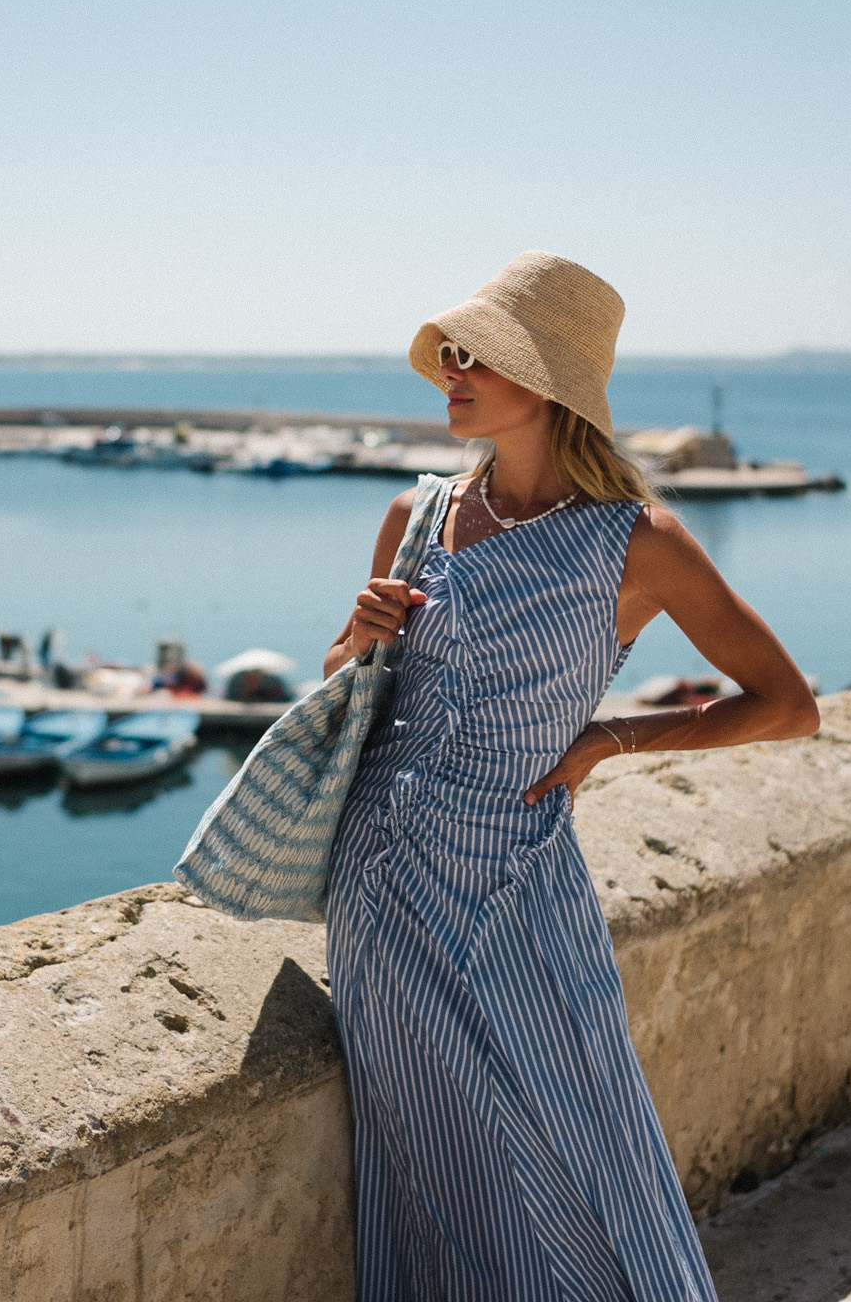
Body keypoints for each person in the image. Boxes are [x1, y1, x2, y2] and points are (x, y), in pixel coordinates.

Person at [322, 252, 819, 1301]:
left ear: (545, 381)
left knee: (580, 1149)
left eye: (476, 358)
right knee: (430, 1168)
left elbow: (786, 704)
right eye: (448, 355)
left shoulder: (638, 543)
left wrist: (610, 741)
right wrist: (356, 638)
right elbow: (345, 687)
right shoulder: (415, 517)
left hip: (517, 887)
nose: (449, 374)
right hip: (380, 890)